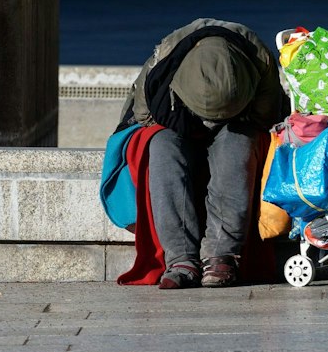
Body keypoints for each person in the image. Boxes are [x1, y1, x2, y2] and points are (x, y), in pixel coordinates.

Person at [119, 19, 285, 290]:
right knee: (161, 147)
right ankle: (180, 258)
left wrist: (228, 125)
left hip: (239, 121)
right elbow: (143, 116)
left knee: (238, 146)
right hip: (177, 118)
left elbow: (266, 117)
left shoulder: (259, 59)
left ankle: (222, 254)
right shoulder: (163, 60)